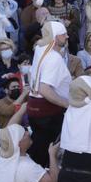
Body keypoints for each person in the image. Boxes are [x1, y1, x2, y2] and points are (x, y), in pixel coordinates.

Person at [27, 21, 72, 168]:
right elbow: (45, 89)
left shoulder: (40, 49)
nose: (67, 36)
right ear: (55, 37)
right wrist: (67, 104)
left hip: (35, 109)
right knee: (47, 155)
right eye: (63, 34)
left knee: (38, 151)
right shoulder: (53, 57)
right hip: (48, 115)